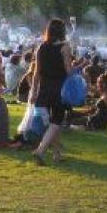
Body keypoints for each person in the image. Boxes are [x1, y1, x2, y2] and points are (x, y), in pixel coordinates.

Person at [30, 19, 73, 166]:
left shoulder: (41, 47)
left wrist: (33, 91)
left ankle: (57, 154)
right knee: (56, 122)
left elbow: (36, 72)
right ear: (62, 31)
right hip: (60, 89)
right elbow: (68, 70)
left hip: (44, 89)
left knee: (51, 123)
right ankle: (41, 150)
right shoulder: (65, 47)